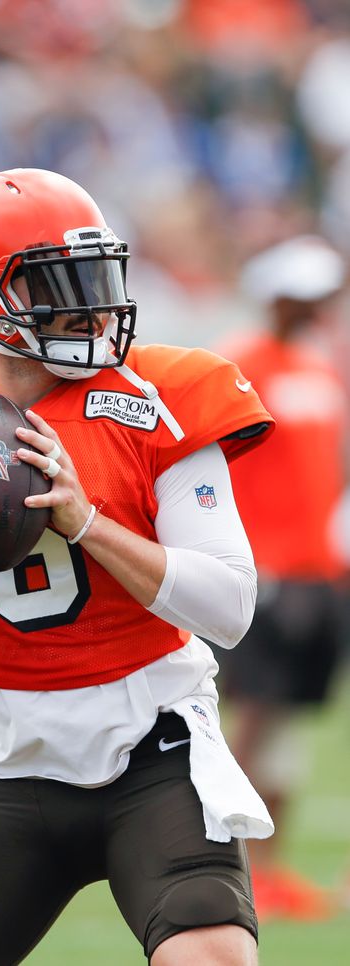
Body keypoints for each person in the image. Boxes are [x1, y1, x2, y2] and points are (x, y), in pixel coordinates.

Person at [0, 167, 278, 966]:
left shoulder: (164, 392)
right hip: (8, 762)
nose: (93, 306)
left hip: (155, 746)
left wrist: (89, 523)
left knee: (210, 959)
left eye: (98, 276)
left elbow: (231, 606)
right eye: (59, 286)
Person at [215, 235, 349, 922]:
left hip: (320, 571)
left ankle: (273, 865)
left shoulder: (316, 366)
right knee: (256, 716)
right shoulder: (246, 365)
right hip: (269, 572)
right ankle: (235, 865)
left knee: (291, 720)